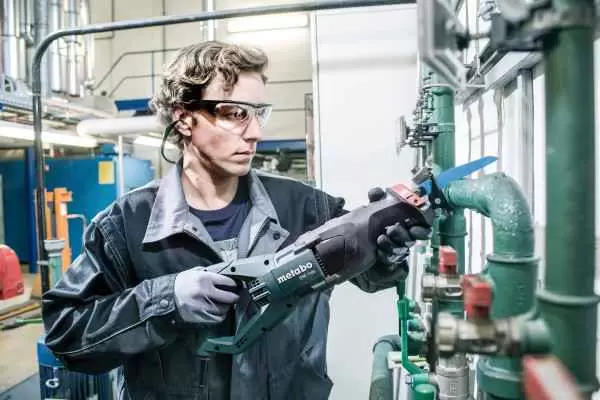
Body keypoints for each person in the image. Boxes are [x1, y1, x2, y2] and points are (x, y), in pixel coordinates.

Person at [41, 41, 430, 400]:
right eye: (235, 113)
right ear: (184, 119)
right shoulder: (125, 225)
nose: (256, 132)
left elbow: (371, 277)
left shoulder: (306, 207)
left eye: (259, 113)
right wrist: (166, 300)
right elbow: (67, 335)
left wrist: (387, 250)